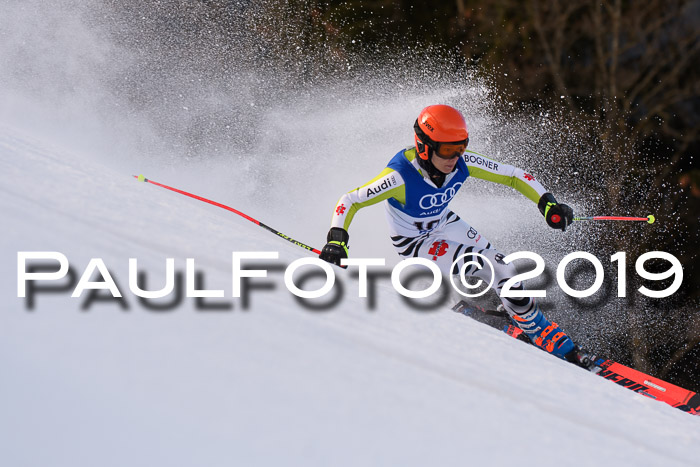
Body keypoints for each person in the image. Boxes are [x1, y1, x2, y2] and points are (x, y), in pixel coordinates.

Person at [319, 104, 592, 367]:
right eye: (448, 149)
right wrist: (336, 239)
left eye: (461, 148)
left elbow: (514, 176)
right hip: (416, 244)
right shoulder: (399, 176)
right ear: (424, 147)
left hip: (445, 223)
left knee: (497, 264)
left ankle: (489, 311)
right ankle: (538, 330)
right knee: (499, 266)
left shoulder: (461, 163)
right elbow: (351, 200)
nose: (455, 158)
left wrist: (548, 204)